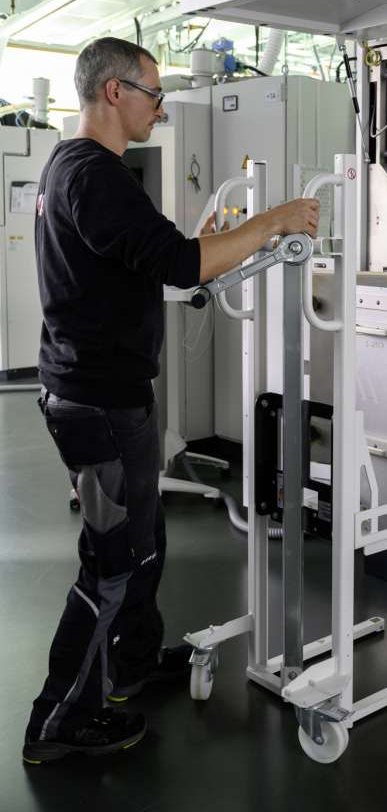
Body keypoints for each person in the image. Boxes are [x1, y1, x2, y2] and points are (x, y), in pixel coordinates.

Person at [23, 37, 319, 764]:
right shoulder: (95, 174)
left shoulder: (74, 166)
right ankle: (57, 722)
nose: (160, 108)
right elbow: (183, 268)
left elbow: (154, 258)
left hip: (109, 391)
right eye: (153, 94)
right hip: (96, 402)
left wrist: (207, 243)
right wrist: (271, 222)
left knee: (144, 542)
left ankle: (129, 666)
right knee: (113, 562)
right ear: (115, 92)